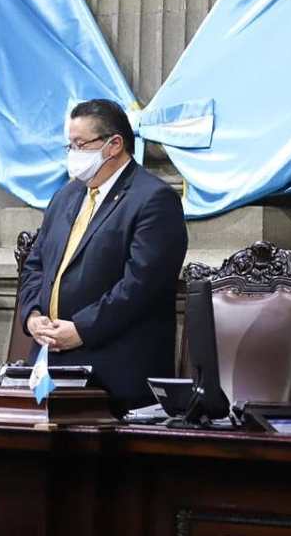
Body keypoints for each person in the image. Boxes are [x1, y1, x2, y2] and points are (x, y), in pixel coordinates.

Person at [18, 99, 188, 412]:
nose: (73, 154)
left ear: (114, 145)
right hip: (49, 366)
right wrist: (32, 315)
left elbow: (141, 285)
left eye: (80, 144)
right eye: (70, 145)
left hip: (114, 371)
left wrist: (82, 330)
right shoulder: (66, 195)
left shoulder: (153, 199)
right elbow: (35, 265)